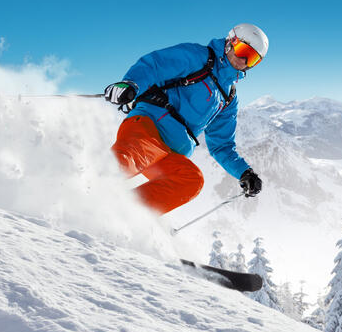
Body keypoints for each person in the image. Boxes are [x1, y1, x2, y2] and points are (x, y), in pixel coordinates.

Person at [103, 23, 267, 214]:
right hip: (148, 128)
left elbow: (221, 145)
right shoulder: (199, 57)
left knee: (190, 180)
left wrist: (244, 172)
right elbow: (155, 65)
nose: (244, 61)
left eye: (253, 59)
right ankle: (78, 188)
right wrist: (131, 84)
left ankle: (123, 215)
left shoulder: (228, 98)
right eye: (244, 51)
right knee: (126, 162)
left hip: (169, 153)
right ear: (231, 42)